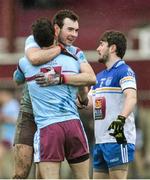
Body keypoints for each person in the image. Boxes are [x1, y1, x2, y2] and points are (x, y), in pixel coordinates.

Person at [13, 10, 96, 178]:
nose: (74, 35)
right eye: (70, 29)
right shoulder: (34, 40)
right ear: (56, 29)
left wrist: (63, 79)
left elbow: (88, 78)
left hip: (56, 119)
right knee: (21, 172)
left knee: (44, 176)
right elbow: (35, 59)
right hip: (30, 113)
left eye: (76, 30)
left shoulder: (76, 53)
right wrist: (59, 48)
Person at [88, 30, 137, 179]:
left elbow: (132, 96)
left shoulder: (124, 71)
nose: (97, 49)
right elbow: (88, 103)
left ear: (112, 48)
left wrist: (120, 119)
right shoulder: (99, 77)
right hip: (100, 140)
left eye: (101, 44)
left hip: (117, 139)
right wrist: (78, 88)